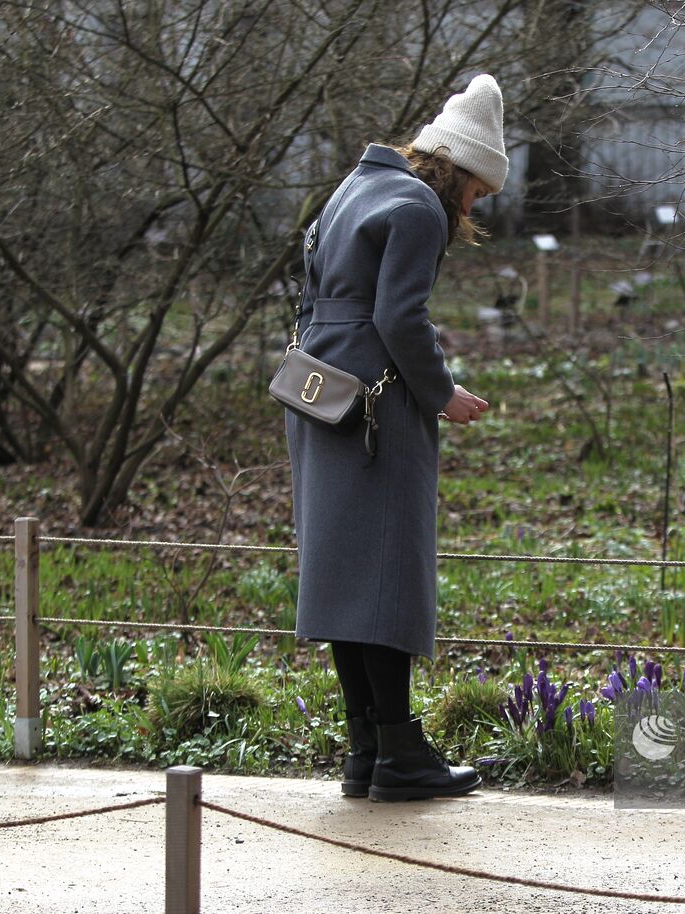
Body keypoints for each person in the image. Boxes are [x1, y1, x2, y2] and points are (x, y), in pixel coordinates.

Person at [285, 74, 504, 802]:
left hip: (320, 391)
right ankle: (402, 759)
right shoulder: (418, 208)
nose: (474, 207)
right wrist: (442, 394)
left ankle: (367, 751)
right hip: (376, 404)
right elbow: (400, 317)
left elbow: (322, 293)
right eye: (478, 192)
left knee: (346, 575)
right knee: (384, 578)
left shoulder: (357, 186)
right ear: (462, 172)